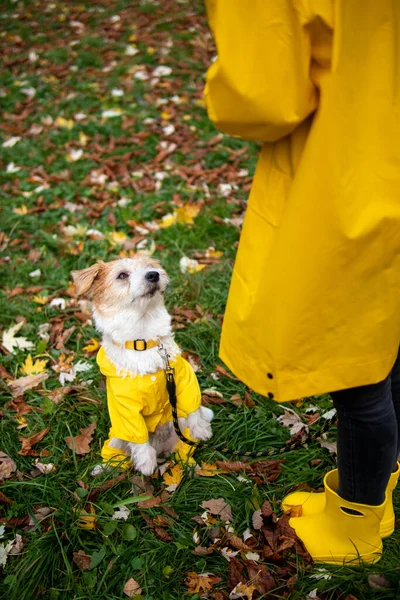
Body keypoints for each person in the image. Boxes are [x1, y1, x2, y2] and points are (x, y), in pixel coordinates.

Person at [204, 0, 400, 565]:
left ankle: (357, 527)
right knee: (388, 337)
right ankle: (375, 494)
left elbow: (263, 97)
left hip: (349, 169)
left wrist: (220, 85)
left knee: (358, 369)